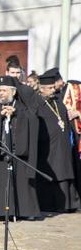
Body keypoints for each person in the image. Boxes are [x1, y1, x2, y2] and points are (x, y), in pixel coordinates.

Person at [0, 76, 41, 220]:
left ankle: (25, 211)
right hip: (0, 152)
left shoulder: (21, 107)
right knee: (0, 182)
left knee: (21, 182)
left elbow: (32, 120)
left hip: (18, 152)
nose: (1, 93)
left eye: (4, 90)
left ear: (13, 92)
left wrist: (17, 115)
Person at [35, 72, 80, 213]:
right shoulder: (37, 103)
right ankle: (51, 204)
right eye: (50, 88)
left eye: (53, 87)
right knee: (53, 173)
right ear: (41, 89)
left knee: (66, 171)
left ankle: (70, 203)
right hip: (47, 146)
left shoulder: (57, 101)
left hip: (63, 144)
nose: (53, 90)